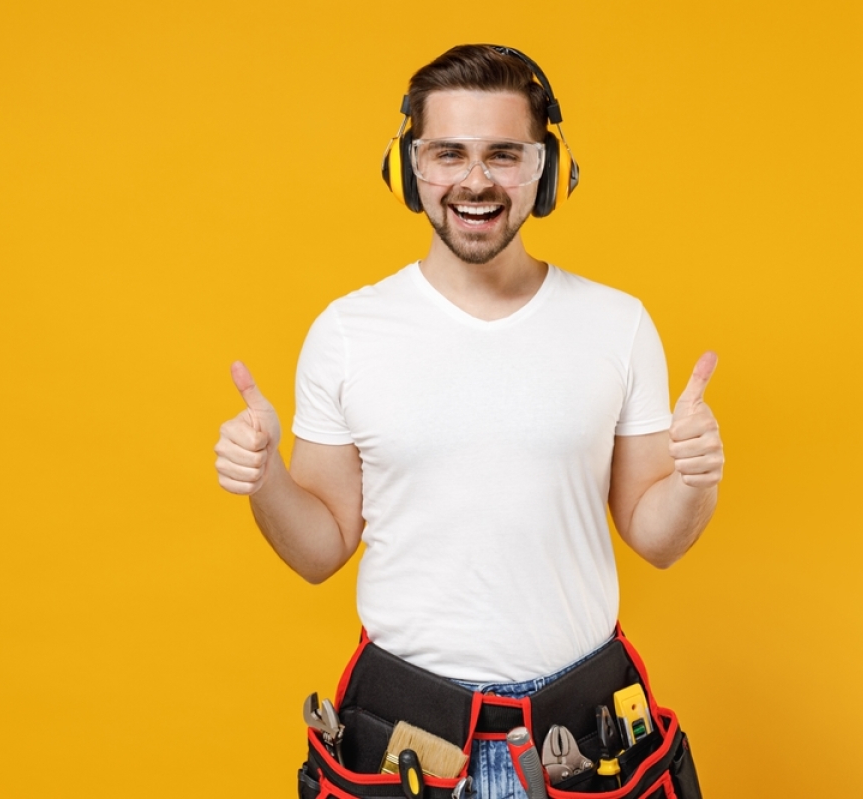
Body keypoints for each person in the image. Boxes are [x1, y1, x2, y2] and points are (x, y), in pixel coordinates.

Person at [214, 44, 722, 799]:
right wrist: (264, 481)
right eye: (448, 153)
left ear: (545, 171)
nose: (475, 180)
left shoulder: (618, 324)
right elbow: (320, 546)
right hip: (406, 746)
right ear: (408, 168)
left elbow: (657, 536)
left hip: (580, 741)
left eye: (504, 154)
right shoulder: (348, 331)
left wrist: (697, 477)